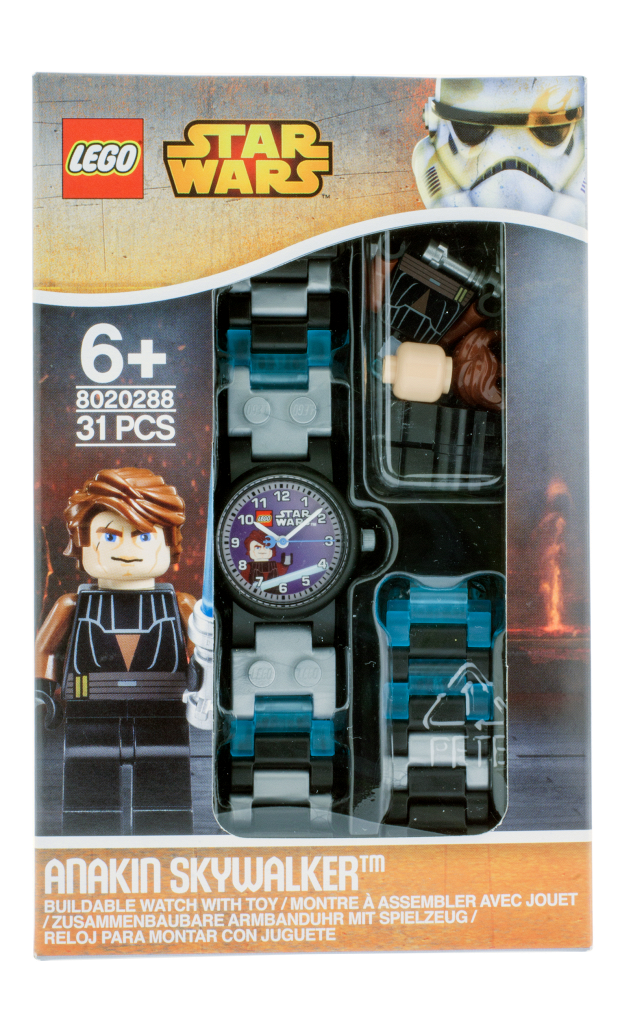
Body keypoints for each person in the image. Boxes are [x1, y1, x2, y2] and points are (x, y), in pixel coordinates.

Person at [36, 467, 197, 836]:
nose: (126, 550)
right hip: (89, 711)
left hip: (164, 713)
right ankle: (87, 845)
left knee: (166, 793)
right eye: (109, 536)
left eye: (143, 536)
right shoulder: (71, 605)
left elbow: (206, 651)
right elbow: (45, 650)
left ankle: (166, 843)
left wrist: (205, 679)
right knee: (87, 790)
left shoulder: (182, 605)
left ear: (169, 543)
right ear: (82, 543)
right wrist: (40, 692)